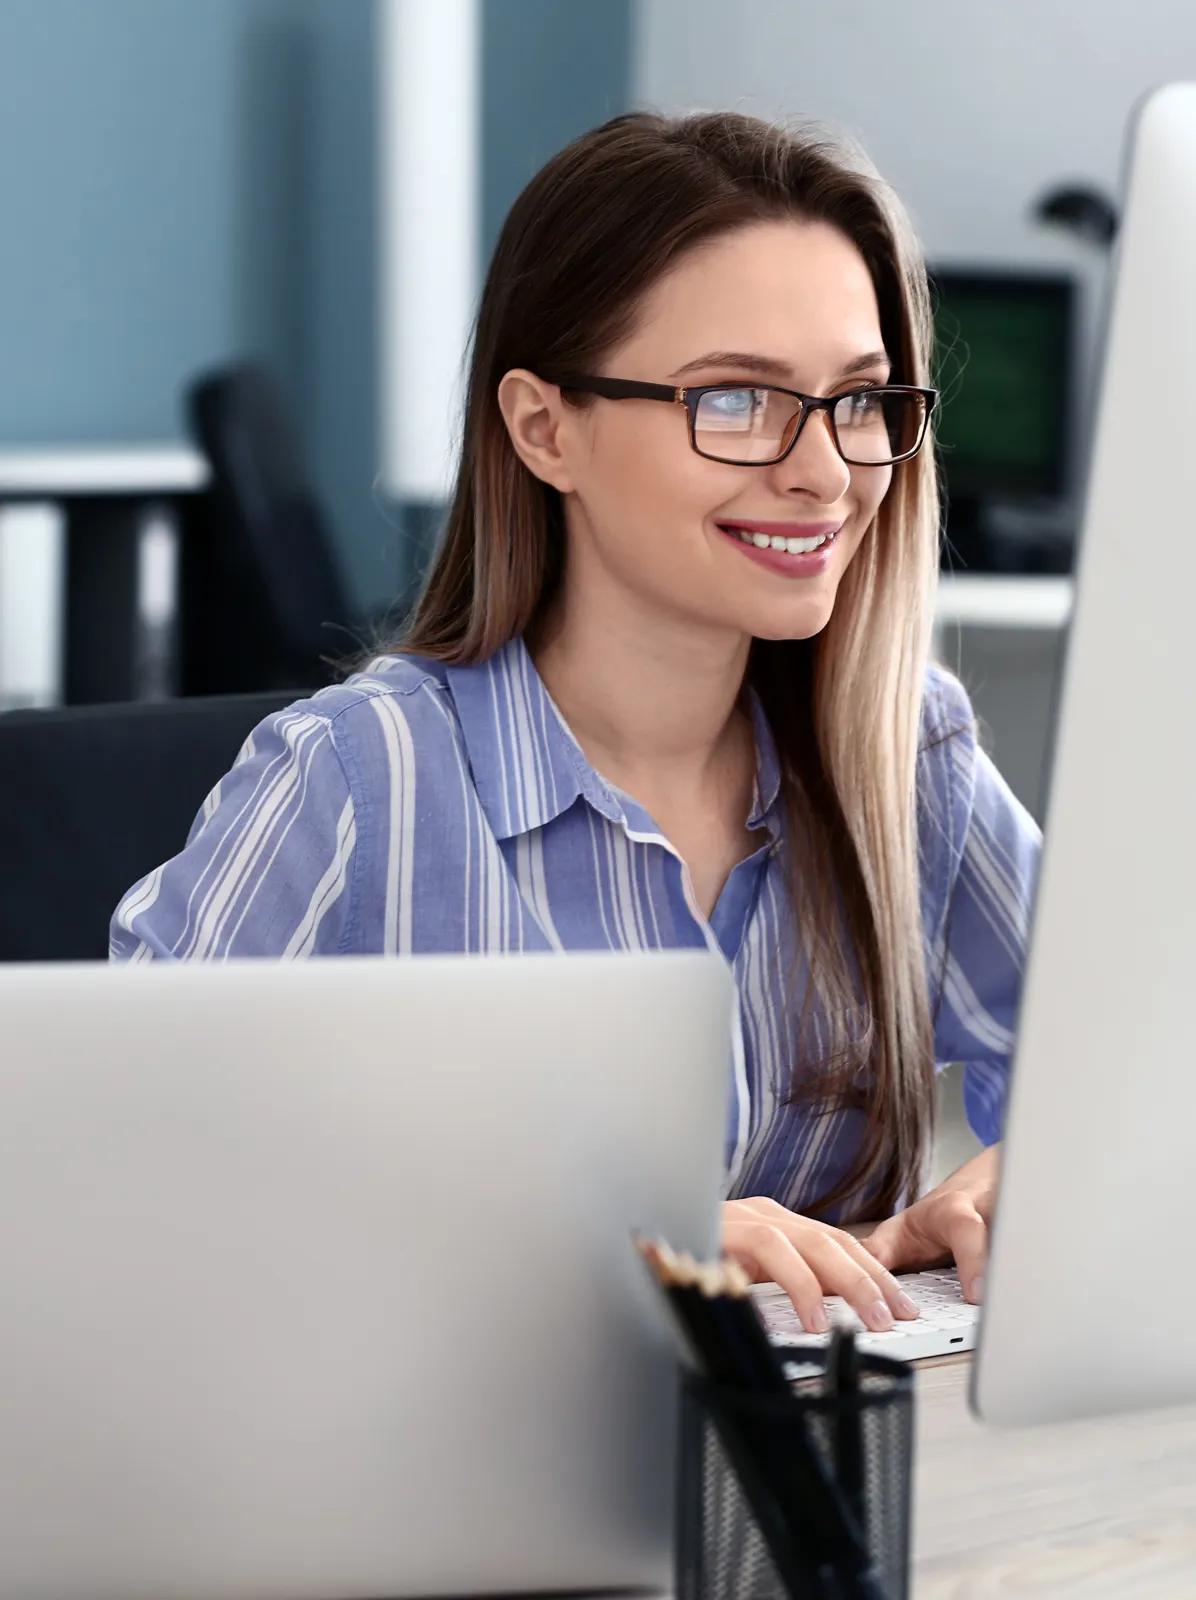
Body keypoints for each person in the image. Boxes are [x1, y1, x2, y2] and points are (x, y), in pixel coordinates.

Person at [111, 112, 1039, 1338]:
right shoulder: (357, 781)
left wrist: (1015, 1184)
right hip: (448, 1501)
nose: (824, 472)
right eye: (738, 400)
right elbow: (119, 1196)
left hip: (818, 1480)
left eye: (859, 402)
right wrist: (594, 1240)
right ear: (545, 427)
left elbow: (1139, 1086)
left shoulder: (903, 753)